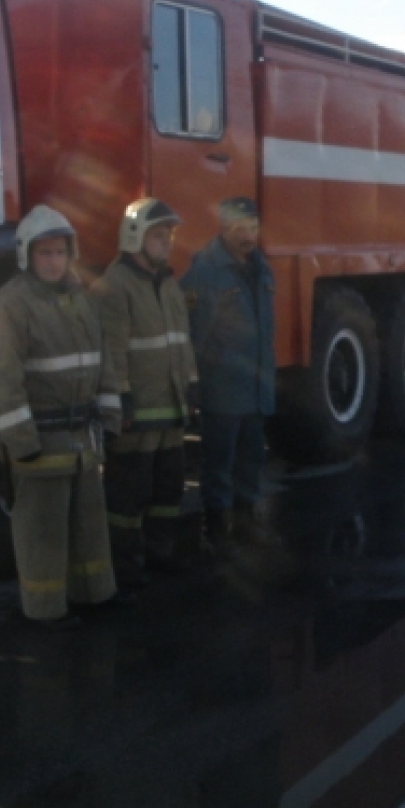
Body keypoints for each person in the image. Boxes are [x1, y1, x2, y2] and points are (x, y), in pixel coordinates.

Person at [0, 205, 126, 629]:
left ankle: (95, 596)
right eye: (45, 253)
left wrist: (110, 417)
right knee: (43, 533)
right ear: (26, 255)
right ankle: (44, 613)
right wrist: (22, 443)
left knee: (88, 527)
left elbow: (104, 361)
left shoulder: (82, 298)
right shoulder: (8, 307)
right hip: (42, 444)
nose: (54, 261)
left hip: (82, 440)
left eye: (60, 252)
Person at [94, 197, 199, 579]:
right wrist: (119, 399)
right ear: (134, 236)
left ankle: (161, 553)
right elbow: (112, 351)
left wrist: (191, 385)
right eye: (158, 235)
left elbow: (181, 340)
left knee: (168, 490)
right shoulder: (114, 288)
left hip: (170, 410)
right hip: (136, 417)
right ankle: (125, 566)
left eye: (168, 235)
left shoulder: (169, 284)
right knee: (128, 496)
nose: (167, 242)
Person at [182, 197, 276, 550]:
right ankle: (217, 529)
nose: (247, 236)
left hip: (255, 387)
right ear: (223, 229)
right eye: (239, 229)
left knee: (251, 458)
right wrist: (196, 380)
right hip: (222, 387)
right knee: (219, 462)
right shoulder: (205, 273)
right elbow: (194, 333)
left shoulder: (260, 267)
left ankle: (246, 521)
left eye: (252, 227)